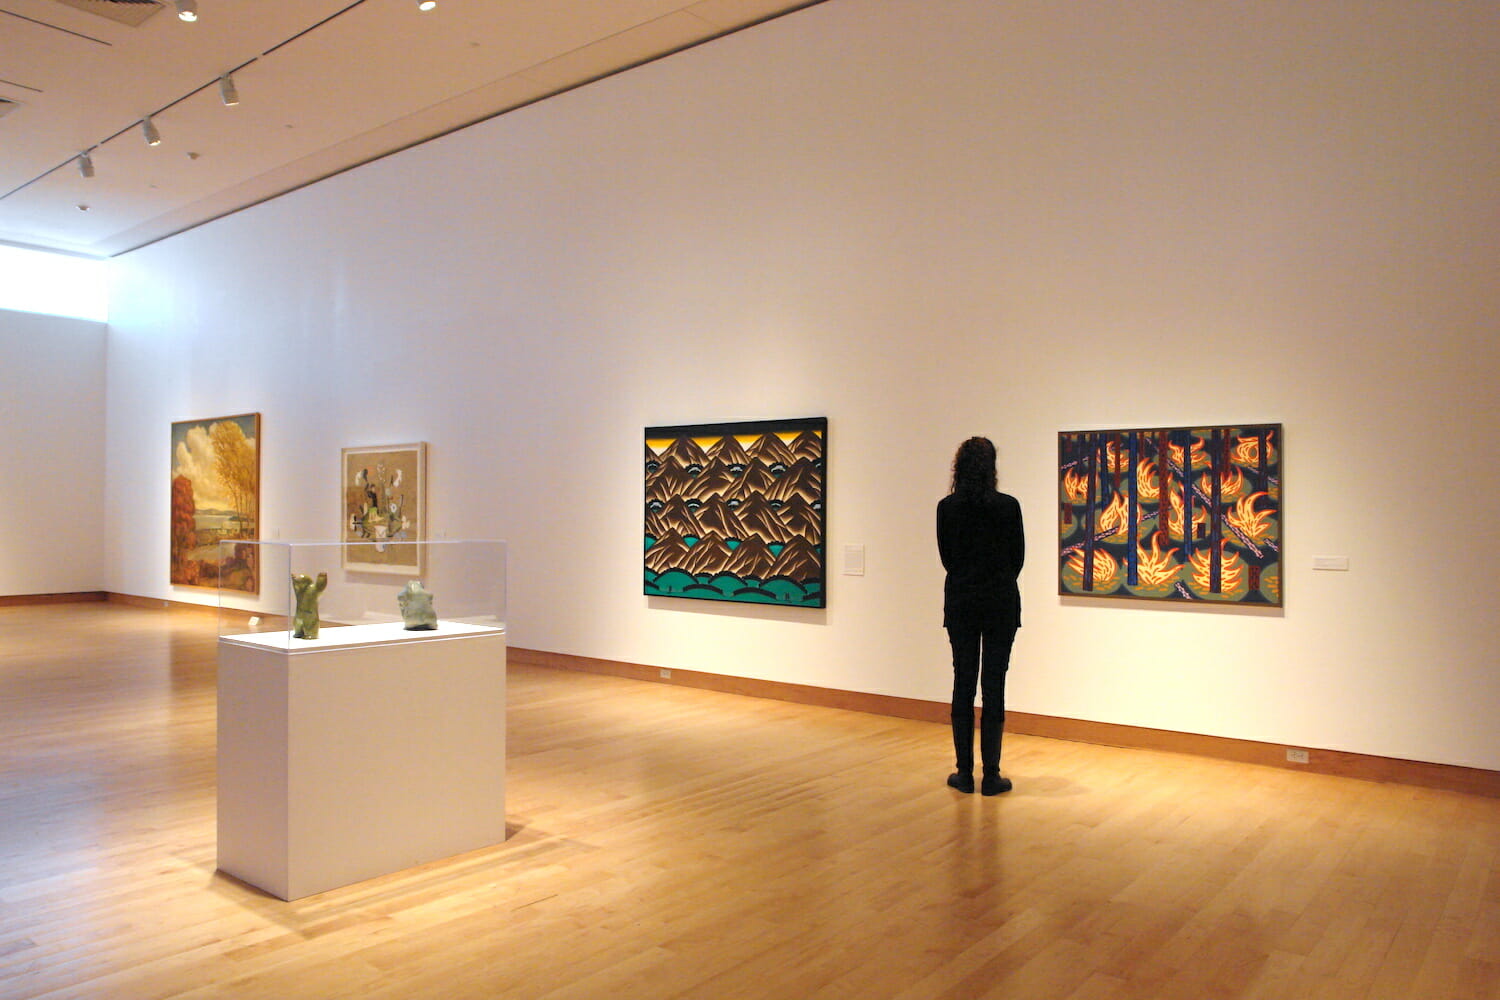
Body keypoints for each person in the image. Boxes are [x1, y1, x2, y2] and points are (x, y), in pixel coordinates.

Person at [937, 436, 1024, 795]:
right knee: (994, 686)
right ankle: (991, 774)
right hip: (1001, 602)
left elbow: (947, 559)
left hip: (961, 602)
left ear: (959, 467)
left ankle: (964, 773)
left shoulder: (947, 507)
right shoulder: (1008, 507)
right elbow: (1017, 558)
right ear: (992, 467)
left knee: (963, 682)